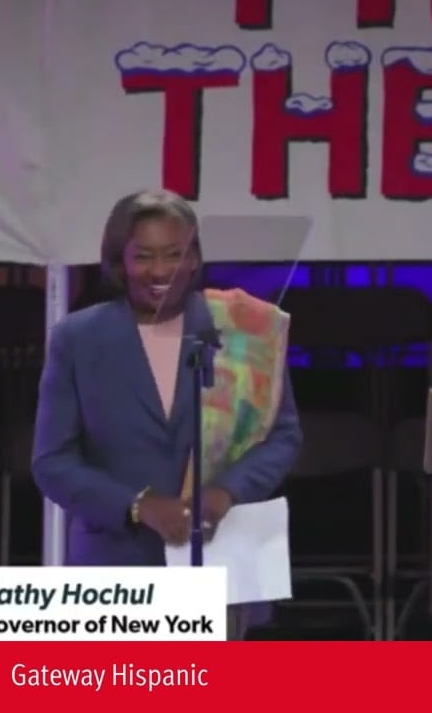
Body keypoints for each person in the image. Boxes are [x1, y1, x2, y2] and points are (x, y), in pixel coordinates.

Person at [32, 189, 302, 640]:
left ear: (194, 258)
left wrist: (226, 492)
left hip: (222, 564)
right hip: (114, 569)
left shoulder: (245, 330)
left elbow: (284, 435)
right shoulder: (77, 339)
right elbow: (51, 461)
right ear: (120, 261)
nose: (160, 271)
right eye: (144, 257)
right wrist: (137, 506)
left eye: (174, 254)